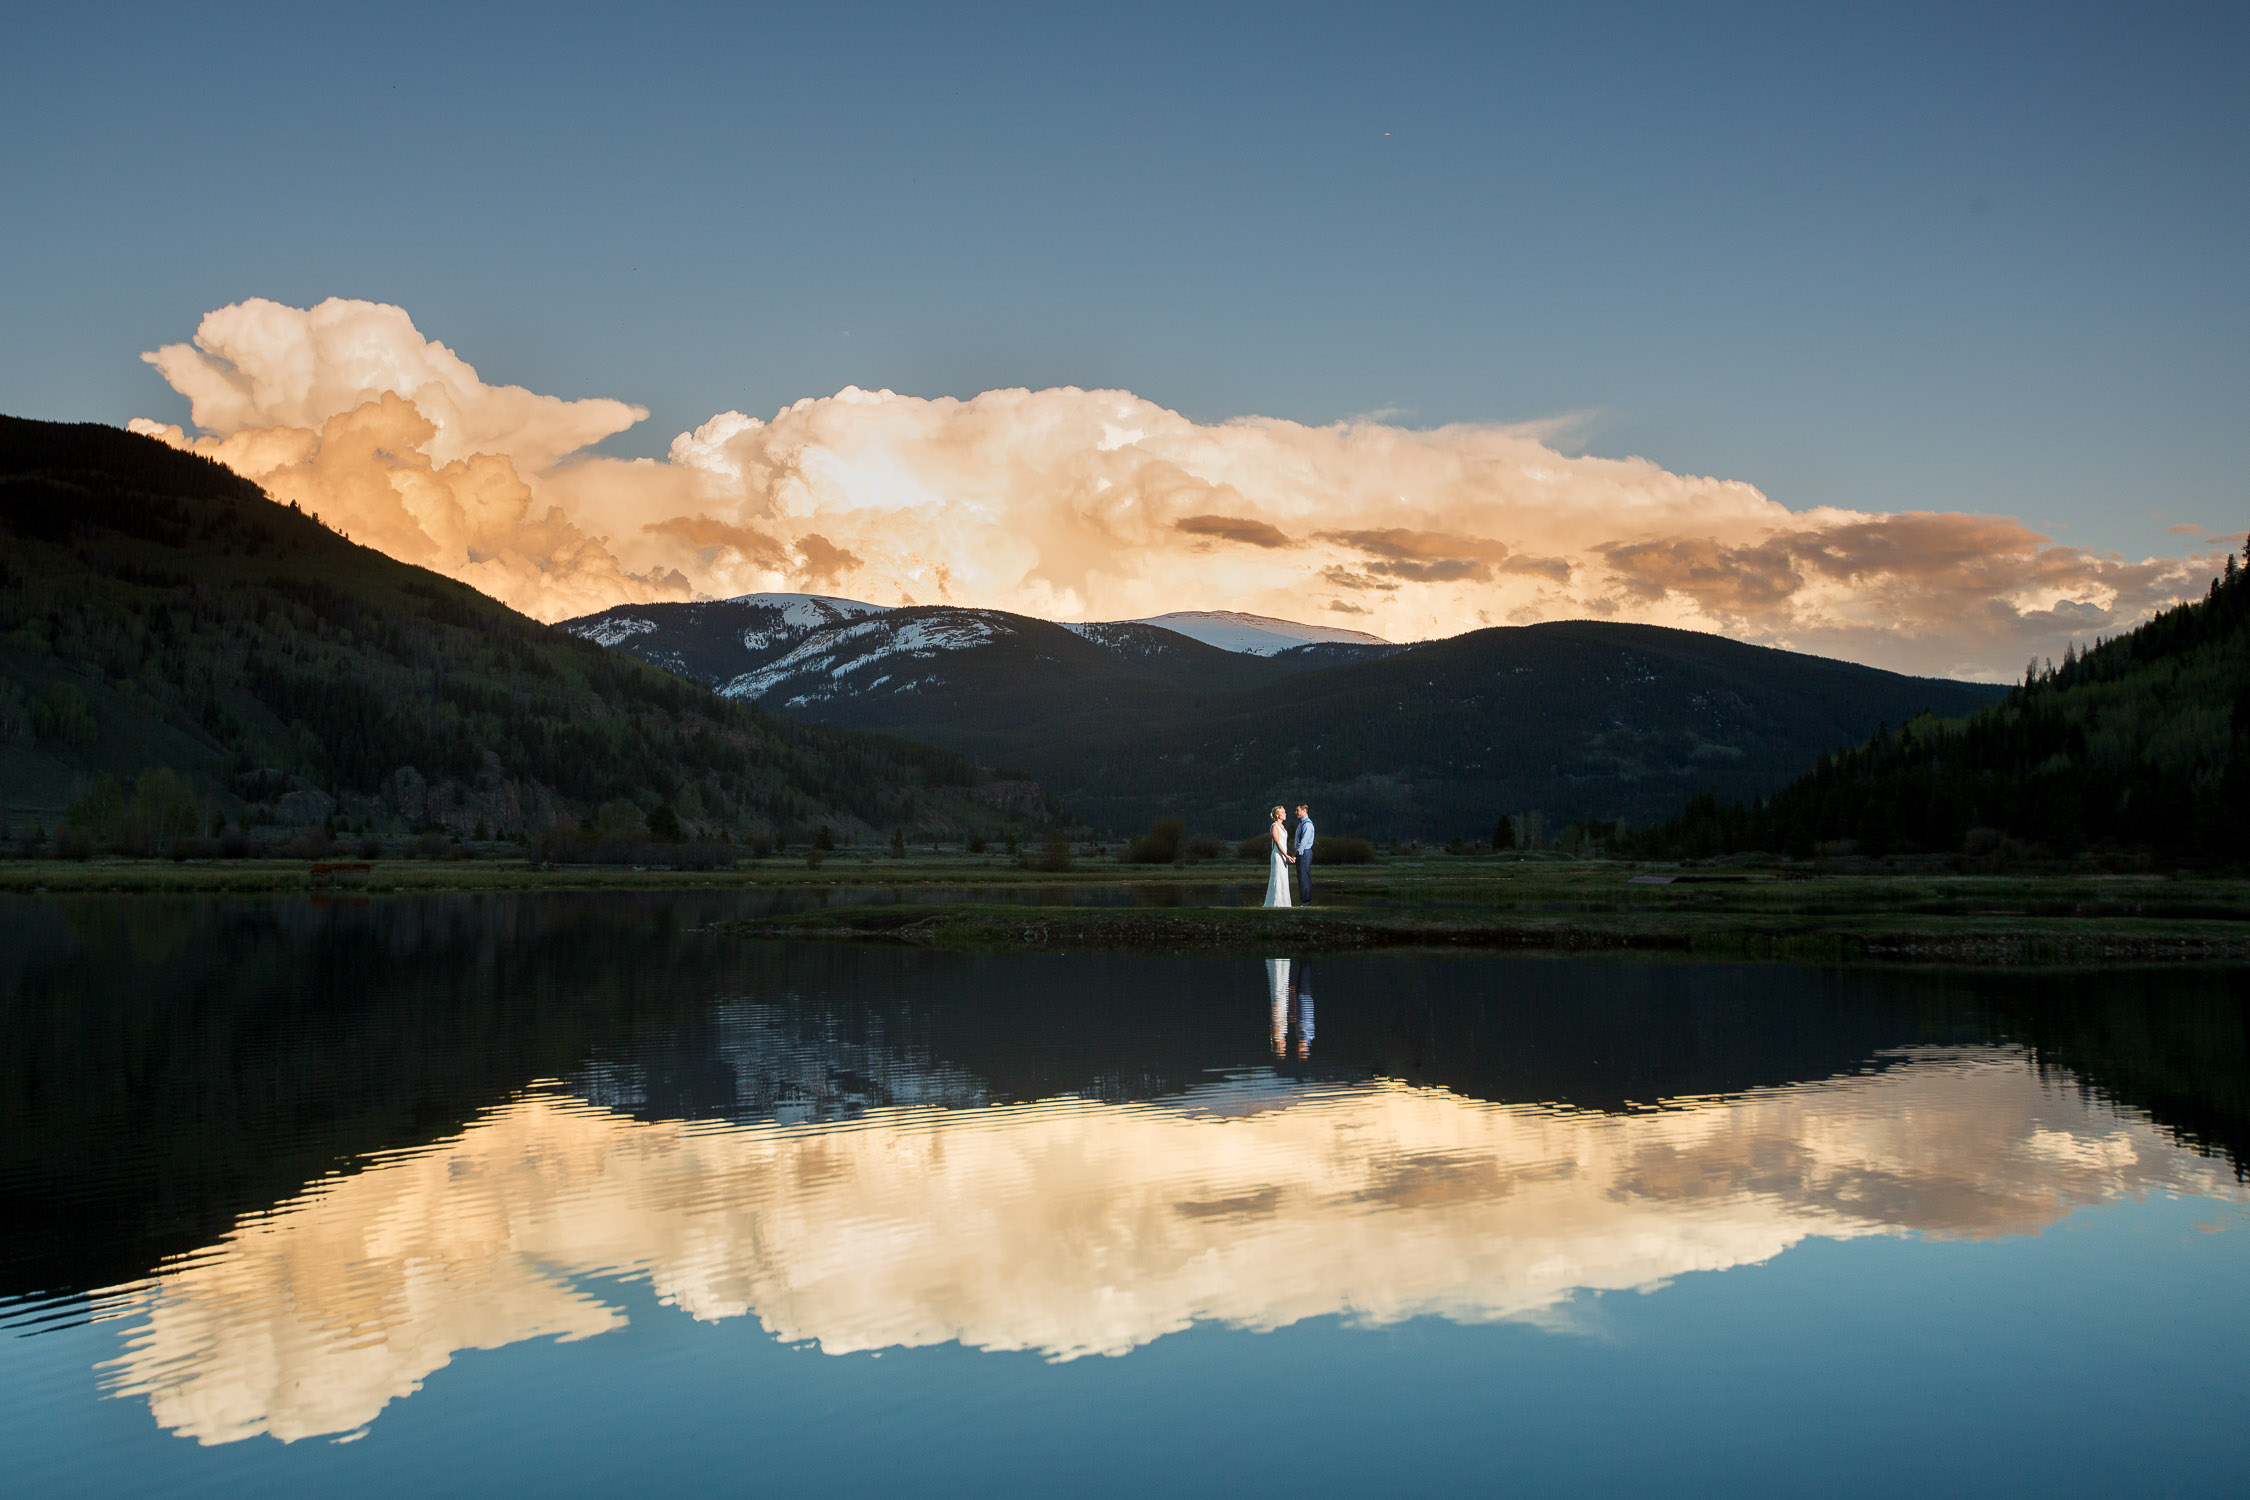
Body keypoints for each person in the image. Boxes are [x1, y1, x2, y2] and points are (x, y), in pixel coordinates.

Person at [1262, 805, 1293, 908]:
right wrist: (1286, 855)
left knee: (1283, 878)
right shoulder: (1274, 826)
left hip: (1283, 855)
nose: (1285, 814)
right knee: (1277, 877)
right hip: (1278, 855)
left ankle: (1284, 903)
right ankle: (1275, 902)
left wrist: (1287, 855)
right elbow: (1277, 842)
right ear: (1277, 815)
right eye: (1283, 812)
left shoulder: (1283, 827)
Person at [1291, 802, 1316, 904]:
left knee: (1304, 876)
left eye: (1298, 810)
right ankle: (1304, 900)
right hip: (1302, 852)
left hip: (1304, 853)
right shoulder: (1302, 823)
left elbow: (1304, 842)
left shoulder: (1307, 825)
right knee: (1301, 876)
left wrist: (1295, 854)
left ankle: (1306, 901)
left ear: (1304, 811)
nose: (1295, 812)